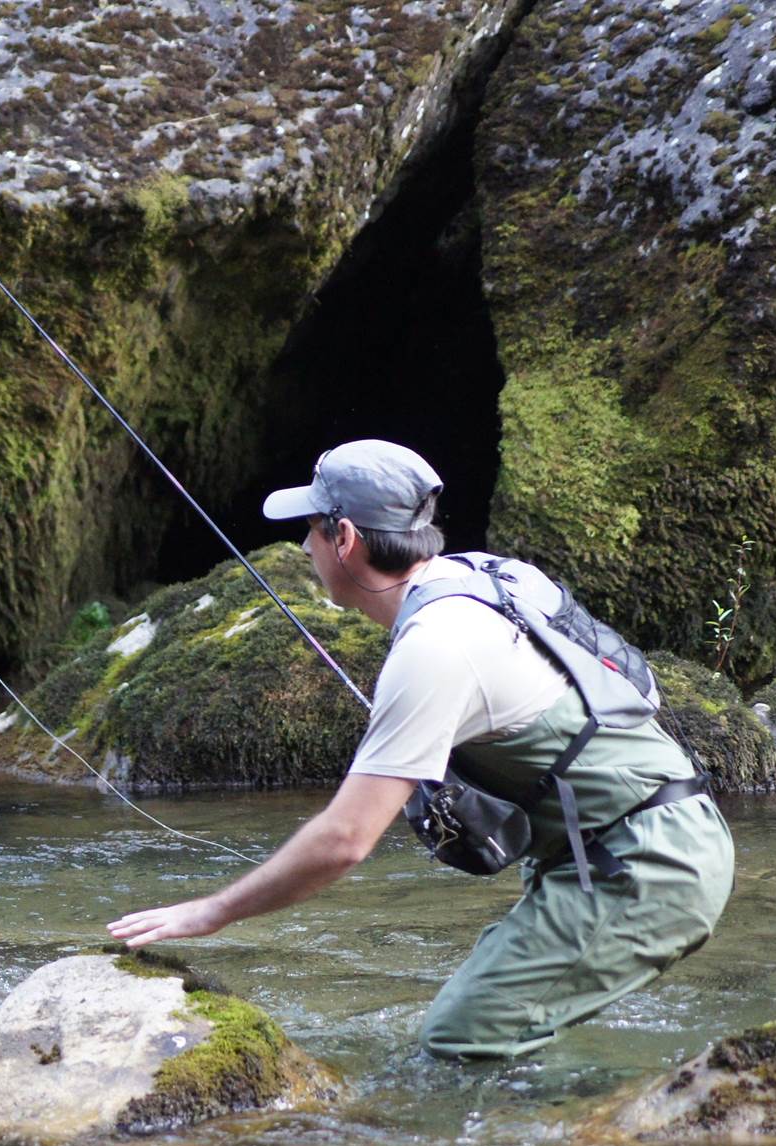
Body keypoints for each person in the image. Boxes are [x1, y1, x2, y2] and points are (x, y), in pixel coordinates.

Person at [107, 439, 734, 1058]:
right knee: (484, 1026)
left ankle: (610, 1137)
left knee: (463, 1039)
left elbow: (345, 840)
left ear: (345, 538)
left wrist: (211, 912)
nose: (303, 547)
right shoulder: (491, 575)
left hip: (643, 866)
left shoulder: (435, 647)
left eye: (311, 531)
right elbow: (631, 691)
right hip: (637, 842)